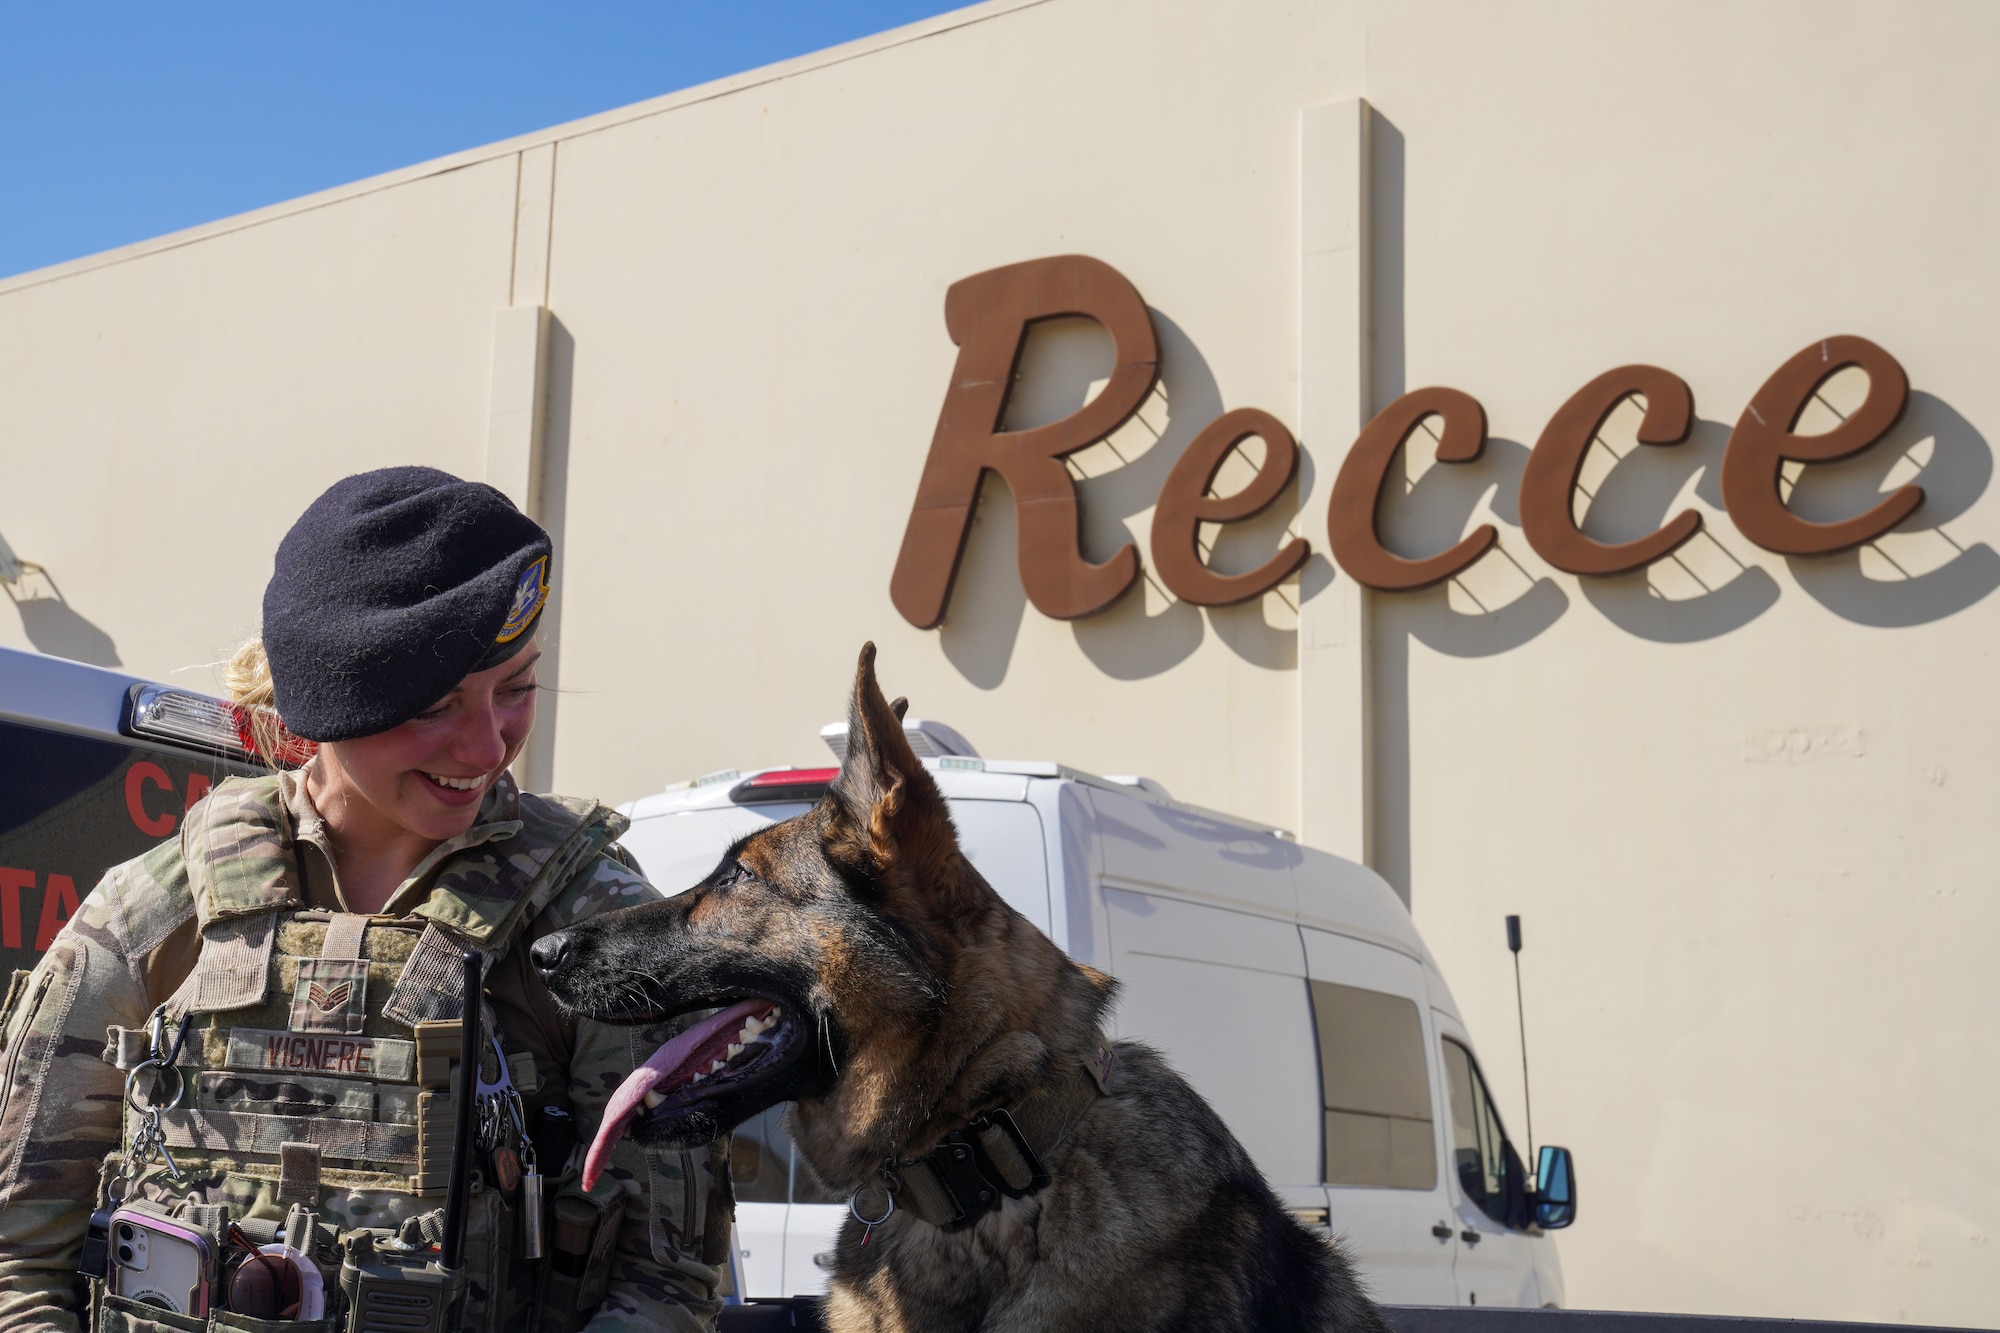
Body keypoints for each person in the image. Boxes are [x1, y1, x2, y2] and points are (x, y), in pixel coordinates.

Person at [0, 468, 729, 1332]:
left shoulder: (593, 927)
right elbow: (16, 1264)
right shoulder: (154, 915)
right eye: (436, 706)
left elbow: (665, 1284)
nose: (488, 742)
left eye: (518, 688)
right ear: (329, 705)